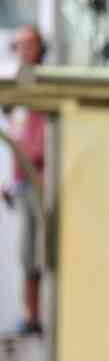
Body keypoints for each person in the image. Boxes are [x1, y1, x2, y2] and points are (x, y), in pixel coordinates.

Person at [1, 24, 48, 335]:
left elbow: (41, 141)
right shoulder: (18, 87)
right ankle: (31, 316)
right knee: (27, 254)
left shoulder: (48, 84)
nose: (24, 50)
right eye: (19, 45)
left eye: (29, 45)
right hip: (24, 181)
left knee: (45, 253)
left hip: (44, 181)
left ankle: (43, 315)